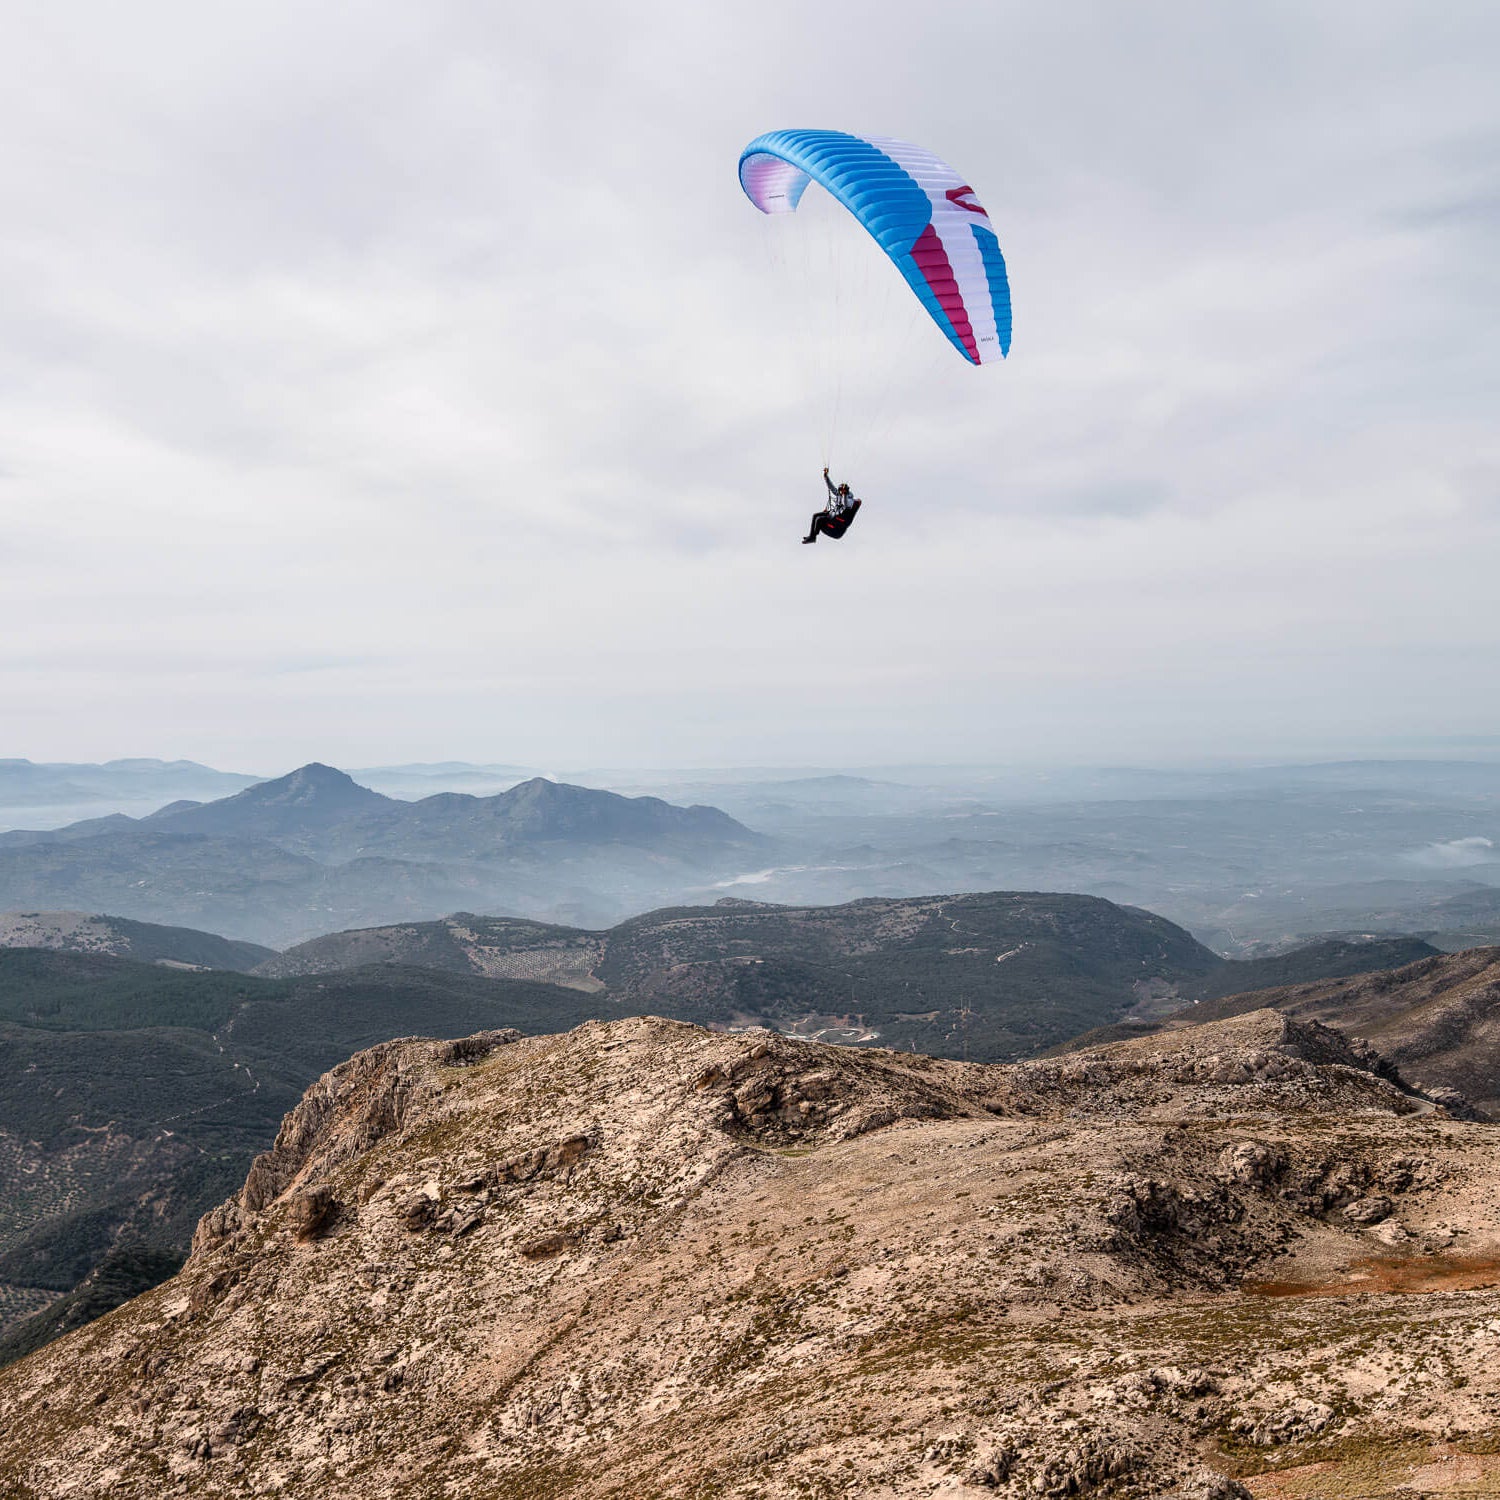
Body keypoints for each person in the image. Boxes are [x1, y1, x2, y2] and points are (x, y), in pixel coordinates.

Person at [803, 467, 863, 543]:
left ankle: (813, 537)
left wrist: (845, 495)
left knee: (819, 519)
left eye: (842, 491)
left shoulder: (850, 499)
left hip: (839, 521)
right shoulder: (839, 494)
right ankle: (812, 536)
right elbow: (831, 487)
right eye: (840, 490)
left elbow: (847, 505)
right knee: (815, 515)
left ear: (846, 491)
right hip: (834, 516)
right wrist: (826, 477)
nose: (840, 492)